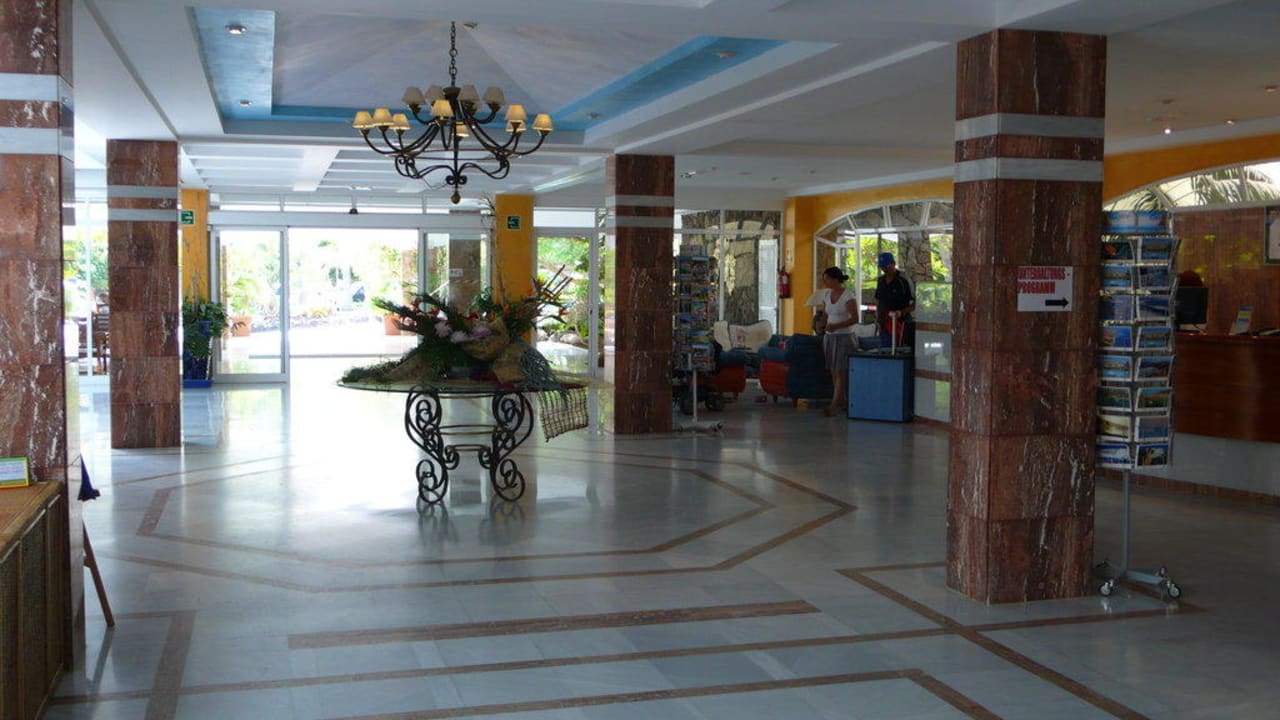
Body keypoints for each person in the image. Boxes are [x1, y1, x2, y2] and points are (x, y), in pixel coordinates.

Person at [818, 266, 858, 417]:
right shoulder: (827, 295)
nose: (825, 282)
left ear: (835, 279)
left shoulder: (848, 296)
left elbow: (855, 318)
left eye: (827, 279)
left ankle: (834, 405)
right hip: (829, 337)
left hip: (844, 337)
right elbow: (825, 314)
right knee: (833, 370)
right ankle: (842, 400)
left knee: (840, 370)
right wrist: (821, 325)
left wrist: (837, 326)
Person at [873, 252, 914, 349]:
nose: (884, 269)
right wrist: (878, 318)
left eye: (886, 266)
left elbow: (915, 303)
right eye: (882, 267)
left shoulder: (903, 280)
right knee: (885, 350)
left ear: (893, 263)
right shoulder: (880, 281)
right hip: (884, 324)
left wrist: (901, 312)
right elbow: (878, 301)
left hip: (901, 323)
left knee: (901, 350)